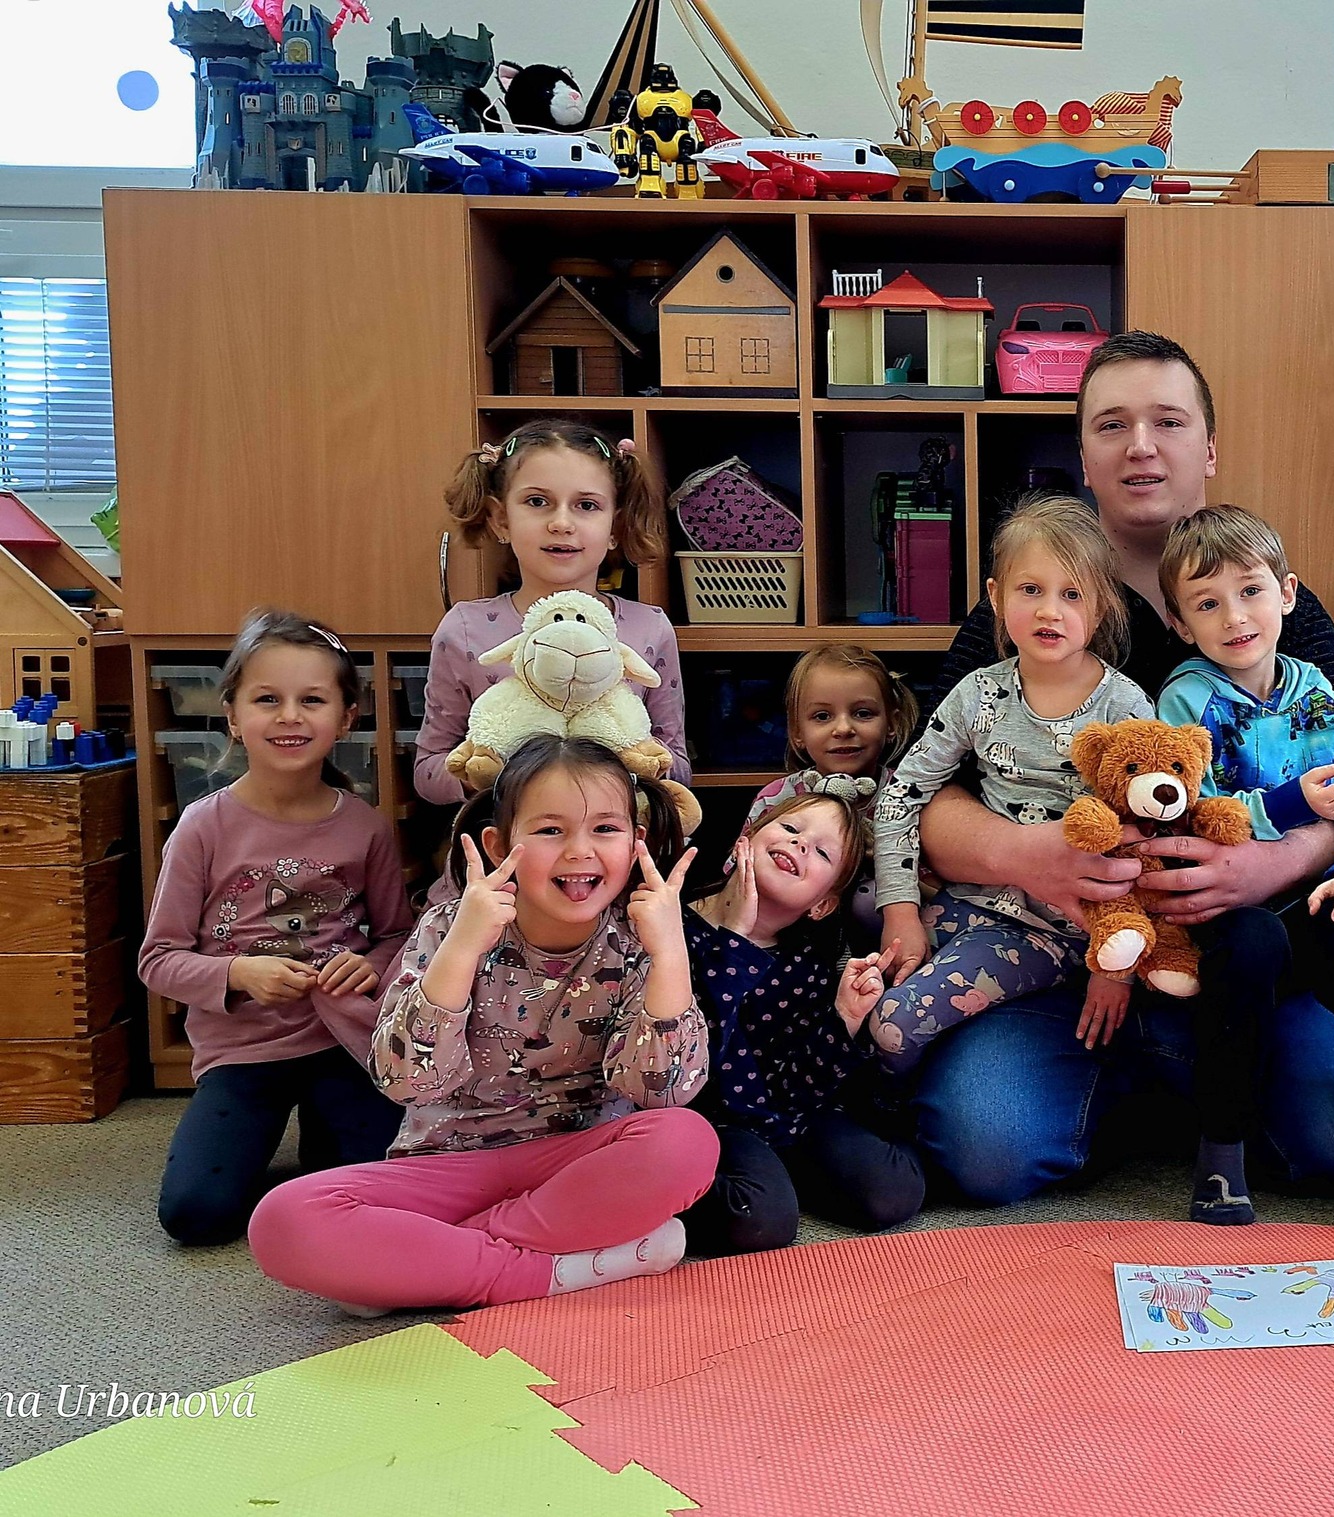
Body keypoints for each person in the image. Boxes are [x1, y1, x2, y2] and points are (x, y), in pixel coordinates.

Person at [914, 331, 1334, 1204]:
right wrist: (1029, 855)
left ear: (1209, 449)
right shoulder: (1031, 602)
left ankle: (1176, 1095)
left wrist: (1272, 860)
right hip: (1059, 957)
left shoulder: (1274, 606)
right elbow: (920, 795)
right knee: (983, 1147)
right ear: (1083, 456)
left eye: (1167, 421)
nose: (1140, 445)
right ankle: (1144, 1096)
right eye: (1112, 425)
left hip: (1247, 963)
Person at [246, 738, 719, 1314]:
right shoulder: (449, 927)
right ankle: (553, 1270)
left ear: (635, 843)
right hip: (448, 1164)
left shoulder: (643, 938)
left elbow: (661, 1092)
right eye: (550, 831)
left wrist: (670, 954)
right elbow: (407, 1082)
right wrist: (464, 946)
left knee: (686, 1140)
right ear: (498, 846)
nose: (580, 851)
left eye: (605, 830)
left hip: (577, 1168)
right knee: (283, 1219)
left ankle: (433, 1263)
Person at [1153, 507, 1334, 1230]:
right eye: (1208, 603)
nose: (1235, 616)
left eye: (1251, 591)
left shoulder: (1318, 694)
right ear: (1181, 624)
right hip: (1228, 918)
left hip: (1313, 907)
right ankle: (1222, 1153)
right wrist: (1291, 803)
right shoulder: (1185, 700)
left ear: (1287, 593)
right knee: (1250, 942)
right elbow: (1188, 813)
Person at [139, 610, 412, 1246]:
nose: (290, 716)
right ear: (233, 716)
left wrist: (370, 965)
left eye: (311, 700)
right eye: (268, 700)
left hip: (343, 1043)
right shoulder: (202, 827)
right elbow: (158, 959)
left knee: (377, 1195)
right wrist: (239, 973)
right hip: (243, 1054)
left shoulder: (366, 826)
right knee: (196, 1216)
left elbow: (399, 937)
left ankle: (322, 1143)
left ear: (346, 717)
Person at [869, 496, 1152, 1075]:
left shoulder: (1125, 707)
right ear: (996, 598)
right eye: (1031, 590)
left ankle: (883, 1108)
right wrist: (898, 909)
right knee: (849, 930)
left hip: (1054, 929)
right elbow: (901, 792)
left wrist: (1114, 966)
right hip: (972, 896)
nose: (1050, 610)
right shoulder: (978, 693)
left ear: (1102, 607)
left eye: (1072, 594)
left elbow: (1144, 841)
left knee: (891, 1024)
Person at [680, 791, 922, 1254]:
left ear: (822, 905)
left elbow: (799, 1088)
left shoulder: (805, 962)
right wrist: (735, 941)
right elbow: (690, 1060)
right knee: (759, 1220)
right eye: (790, 829)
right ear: (744, 841)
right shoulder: (672, 922)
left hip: (779, 1117)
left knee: (893, 1190)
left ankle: (779, 1174)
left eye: (822, 852)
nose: (800, 844)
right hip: (702, 1119)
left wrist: (845, 1016)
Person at [416, 419, 687, 821]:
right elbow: (427, 770)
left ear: (616, 525)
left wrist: (640, 765)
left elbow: (677, 763)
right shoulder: (465, 629)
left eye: (587, 505)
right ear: (501, 519)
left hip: (613, 843)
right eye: (537, 501)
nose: (561, 523)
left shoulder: (650, 628)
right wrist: (483, 773)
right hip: (506, 844)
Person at [738, 642, 920, 945]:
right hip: (790, 934)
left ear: (892, 723)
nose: (843, 729)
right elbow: (740, 871)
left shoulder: (908, 795)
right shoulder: (777, 798)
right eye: (822, 716)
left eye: (863, 713)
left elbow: (927, 883)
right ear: (797, 731)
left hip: (880, 934)